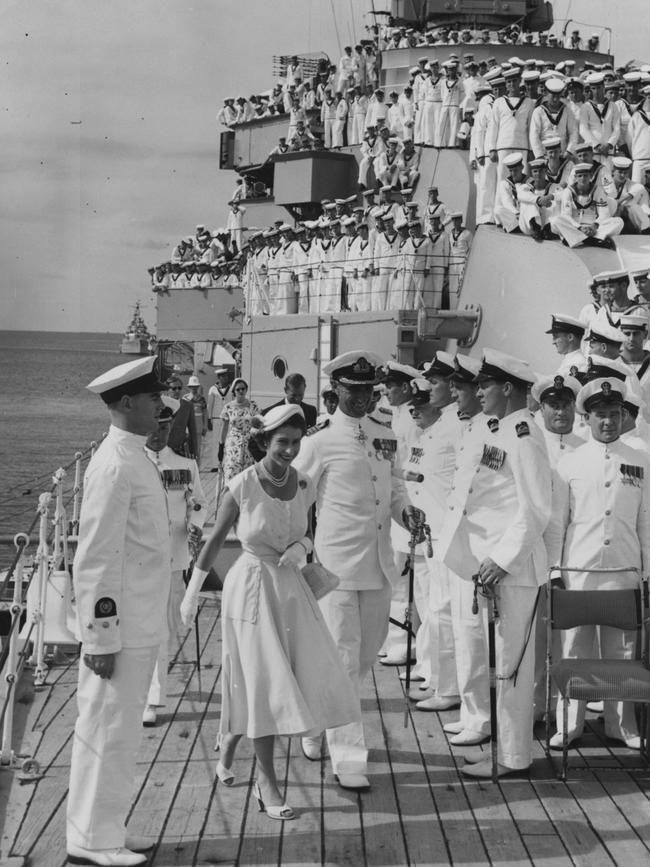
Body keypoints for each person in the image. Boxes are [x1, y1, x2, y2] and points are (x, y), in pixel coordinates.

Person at [180, 405, 360, 819]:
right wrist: (190, 595)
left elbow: (308, 533)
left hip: (292, 590)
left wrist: (302, 547)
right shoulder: (241, 485)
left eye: (297, 443)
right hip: (250, 588)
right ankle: (267, 785)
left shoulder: (303, 483)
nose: (291, 451)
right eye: (283, 443)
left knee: (289, 676)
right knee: (263, 683)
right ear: (264, 442)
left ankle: (227, 745)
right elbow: (213, 542)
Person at [293, 351, 425, 790]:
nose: (363, 397)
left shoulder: (384, 434)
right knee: (345, 661)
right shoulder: (317, 441)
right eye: (354, 391)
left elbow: (397, 487)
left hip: (379, 566)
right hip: (336, 569)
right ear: (335, 392)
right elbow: (297, 500)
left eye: (369, 390)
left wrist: (407, 512)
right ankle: (349, 757)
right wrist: (296, 548)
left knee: (363, 659)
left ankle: (314, 722)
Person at [66, 356, 170, 867]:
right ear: (127, 401)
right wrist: (101, 638)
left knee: (121, 734)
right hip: (120, 628)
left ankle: (109, 827)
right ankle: (90, 839)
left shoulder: (135, 457)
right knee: (106, 731)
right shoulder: (113, 465)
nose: (161, 404)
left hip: (141, 621)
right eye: (153, 397)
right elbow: (96, 559)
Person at [437, 348, 552, 779]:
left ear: (506, 388)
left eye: (484, 384)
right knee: (500, 666)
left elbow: (536, 509)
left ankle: (513, 757)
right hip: (490, 567)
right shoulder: (500, 429)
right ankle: (504, 749)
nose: (477, 390)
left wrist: (501, 561)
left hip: (513, 570)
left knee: (512, 670)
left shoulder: (523, 434)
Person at [545, 376, 650, 750]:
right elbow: (558, 523)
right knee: (573, 649)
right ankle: (568, 725)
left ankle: (620, 725)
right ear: (585, 419)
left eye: (613, 414)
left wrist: (647, 574)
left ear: (623, 416)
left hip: (624, 569)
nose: (607, 421)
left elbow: (646, 522)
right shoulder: (569, 463)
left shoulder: (640, 460)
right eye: (599, 414)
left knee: (622, 652)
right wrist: (555, 571)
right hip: (579, 570)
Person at [142, 406, 208, 727]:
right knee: (149, 626)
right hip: (139, 560)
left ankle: (152, 692)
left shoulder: (184, 465)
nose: (159, 434)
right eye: (155, 427)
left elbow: (200, 503)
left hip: (172, 557)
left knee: (165, 626)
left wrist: (195, 524)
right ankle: (150, 696)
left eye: (165, 428)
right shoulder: (134, 464)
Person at [219, 378, 259, 482]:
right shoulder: (228, 407)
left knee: (247, 476)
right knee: (231, 473)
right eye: (238, 389)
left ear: (246, 390)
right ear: (234, 391)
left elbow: (258, 425)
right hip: (233, 446)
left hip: (249, 445)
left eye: (243, 388)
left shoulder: (253, 406)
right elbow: (224, 428)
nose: (241, 391)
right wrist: (220, 446)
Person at [206, 367, 233, 471]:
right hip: (216, 418)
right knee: (216, 441)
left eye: (226, 376)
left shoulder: (231, 389)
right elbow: (210, 405)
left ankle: (226, 463)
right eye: (222, 376)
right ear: (218, 377)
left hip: (227, 419)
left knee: (227, 441)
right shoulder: (213, 389)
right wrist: (209, 419)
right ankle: (215, 464)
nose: (225, 378)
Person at [183, 375, 208, 459]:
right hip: (187, 428)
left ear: (198, 386)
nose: (194, 388)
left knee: (197, 449)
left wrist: (205, 426)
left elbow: (205, 413)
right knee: (187, 449)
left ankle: (197, 468)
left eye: (196, 386)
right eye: (192, 386)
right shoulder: (185, 398)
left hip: (198, 427)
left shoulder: (202, 399)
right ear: (189, 387)